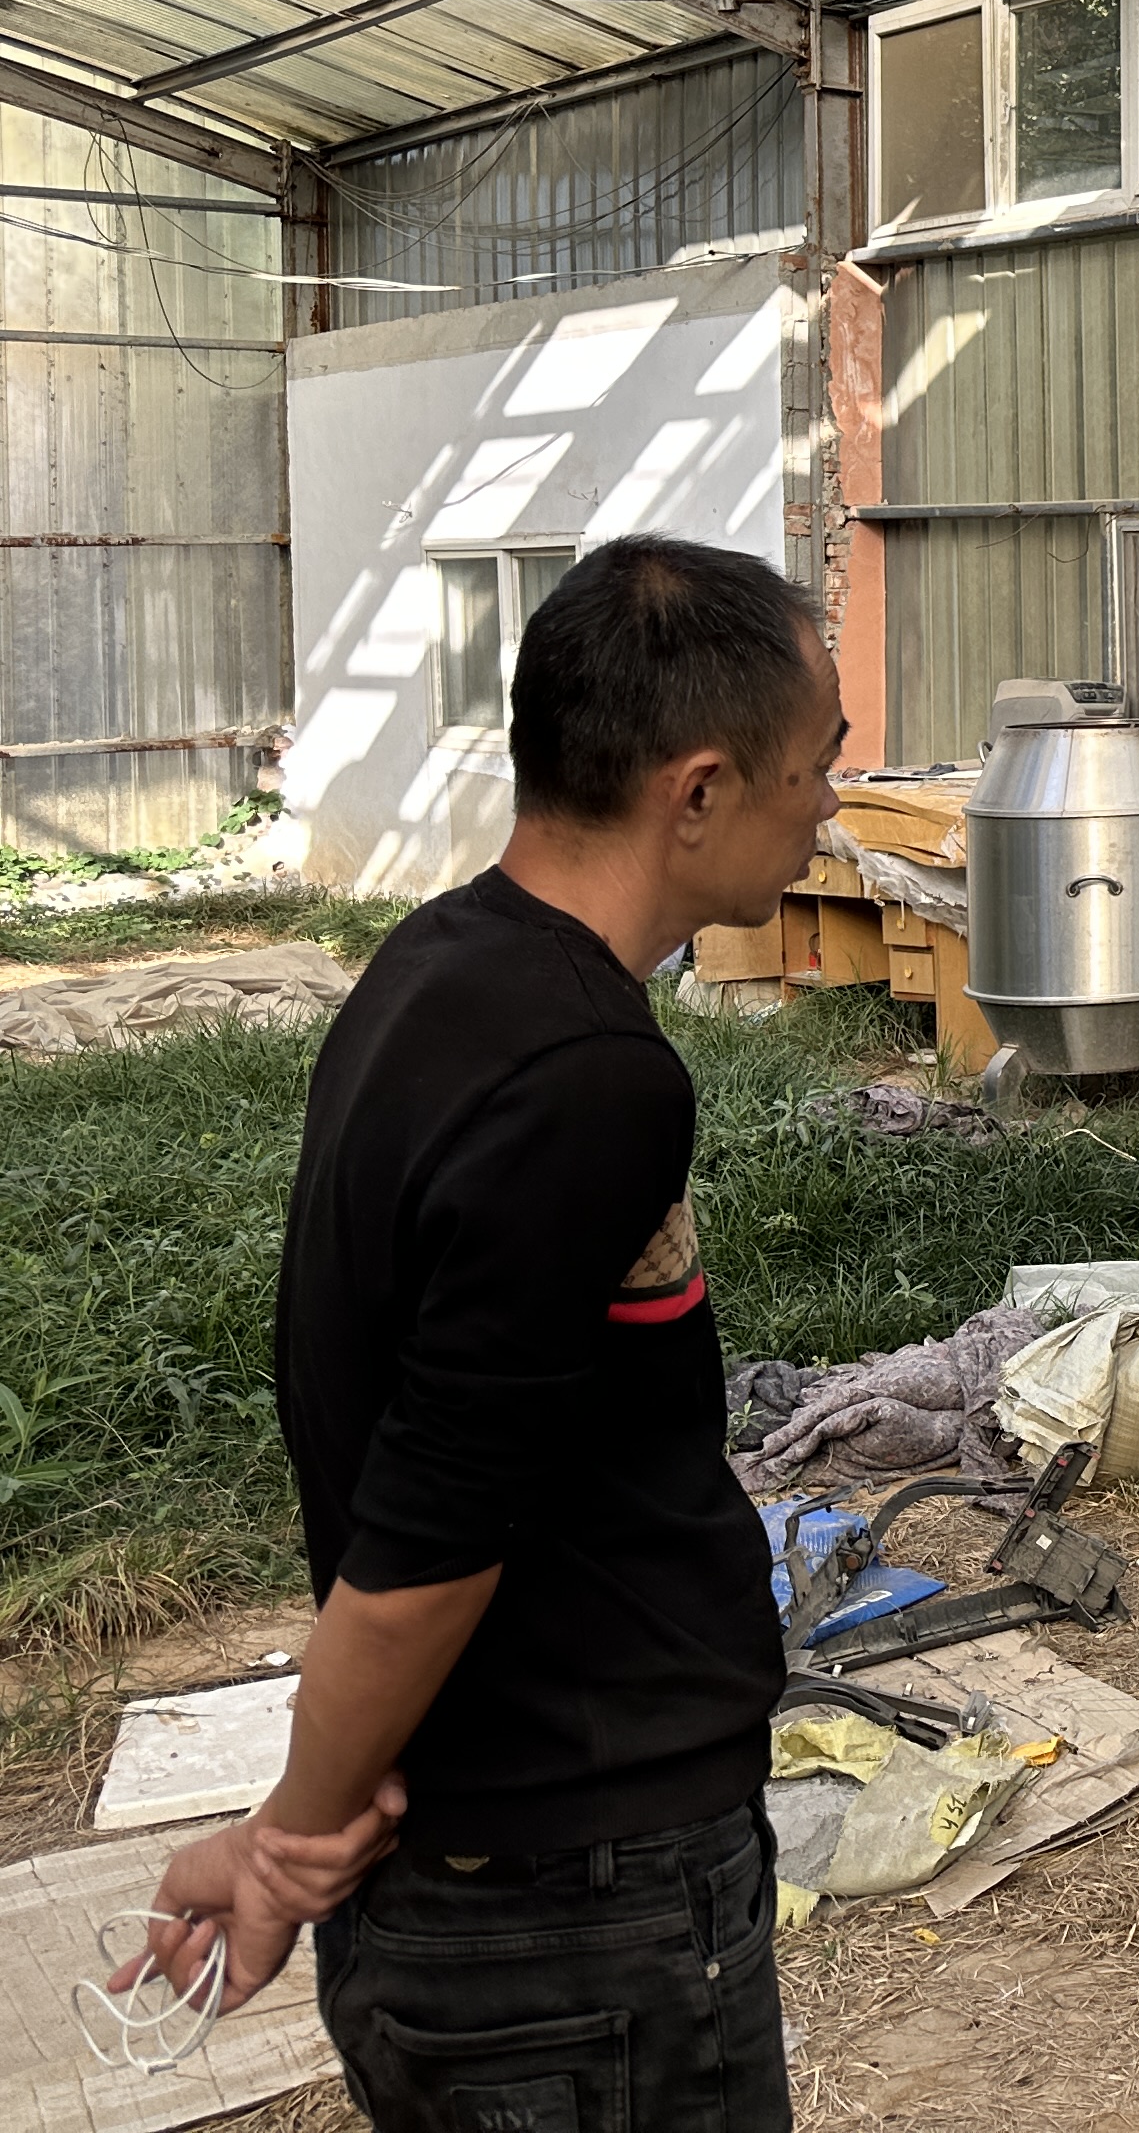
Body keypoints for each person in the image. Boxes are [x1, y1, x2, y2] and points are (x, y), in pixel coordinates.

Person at [122, 535, 842, 2130]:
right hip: (572, 1908)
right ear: (701, 791)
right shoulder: (584, 1080)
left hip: (504, 1873)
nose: (829, 808)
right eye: (817, 766)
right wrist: (288, 1841)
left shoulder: (446, 963)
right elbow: (432, 1535)